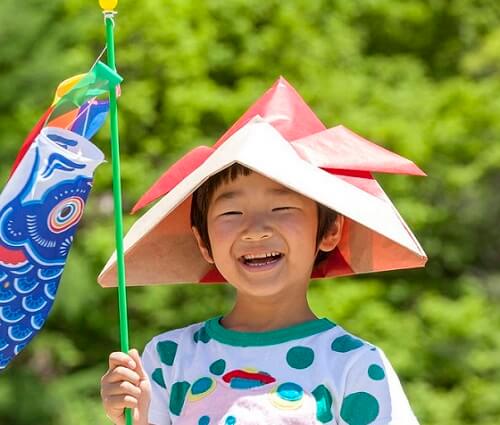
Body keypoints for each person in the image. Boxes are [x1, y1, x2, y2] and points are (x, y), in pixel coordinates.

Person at [99, 77, 426, 425]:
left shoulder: (354, 364)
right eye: (231, 213)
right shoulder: (169, 359)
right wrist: (134, 417)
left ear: (330, 230)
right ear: (203, 241)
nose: (255, 230)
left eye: (282, 209)